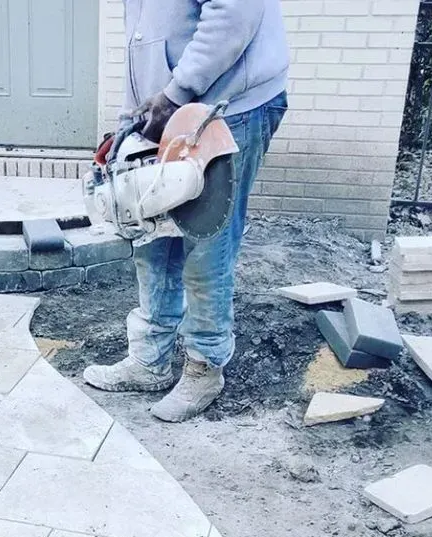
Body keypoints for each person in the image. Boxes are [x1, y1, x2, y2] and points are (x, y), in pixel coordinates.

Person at [83, 0, 289, 422]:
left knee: (207, 242)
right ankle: (150, 360)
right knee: (152, 233)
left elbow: (235, 11)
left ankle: (204, 367)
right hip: (171, 110)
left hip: (228, 106)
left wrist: (177, 92)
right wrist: (132, 119)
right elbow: (146, 32)